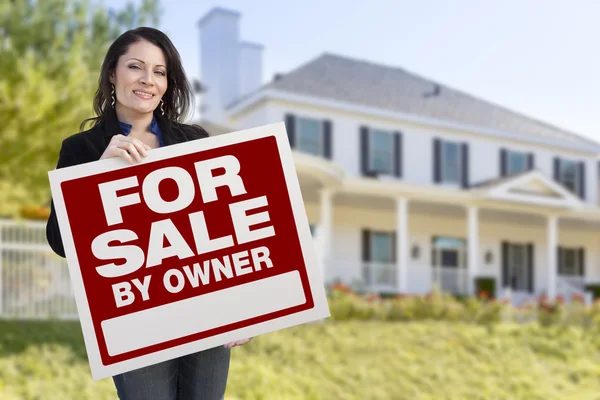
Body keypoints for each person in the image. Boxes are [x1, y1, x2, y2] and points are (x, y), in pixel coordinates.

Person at [45, 27, 251, 400]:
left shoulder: (194, 141)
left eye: (159, 71)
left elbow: (223, 228)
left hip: (204, 311)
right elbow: (60, 241)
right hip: (134, 319)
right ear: (112, 73)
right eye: (136, 67)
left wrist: (242, 310)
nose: (148, 80)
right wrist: (95, 176)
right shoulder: (82, 148)